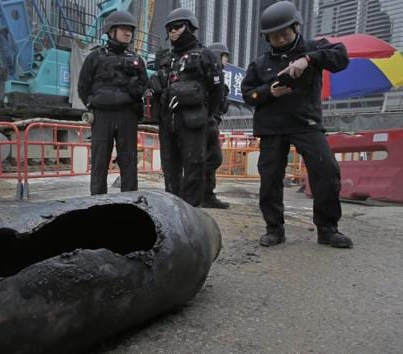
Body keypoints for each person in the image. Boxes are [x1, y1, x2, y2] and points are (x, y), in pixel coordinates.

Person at [241, 1, 352, 248]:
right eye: (274, 36)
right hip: (271, 128)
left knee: (326, 171)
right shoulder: (259, 64)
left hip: (306, 123)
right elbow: (248, 94)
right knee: (270, 179)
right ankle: (274, 229)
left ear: (296, 27)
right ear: (265, 37)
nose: (280, 39)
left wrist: (308, 59)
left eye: (285, 33)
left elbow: (341, 57)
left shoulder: (313, 48)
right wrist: (269, 92)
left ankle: (327, 228)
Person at [147, 8, 224, 207]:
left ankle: (191, 211)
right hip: (168, 122)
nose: (173, 32)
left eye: (177, 27)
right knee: (170, 167)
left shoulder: (205, 55)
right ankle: (173, 209)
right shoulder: (165, 58)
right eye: (170, 28)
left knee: (194, 167)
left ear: (189, 27)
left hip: (193, 122)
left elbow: (217, 91)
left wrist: (207, 115)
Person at [78, 10, 148, 196]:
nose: (128, 33)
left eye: (130, 30)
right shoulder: (94, 58)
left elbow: (144, 87)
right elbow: (83, 87)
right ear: (110, 31)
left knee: (129, 161)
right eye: (124, 29)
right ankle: (97, 202)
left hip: (127, 116)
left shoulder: (136, 60)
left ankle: (130, 202)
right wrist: (94, 104)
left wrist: (134, 94)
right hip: (102, 116)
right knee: (100, 161)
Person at [202, 42, 231, 209]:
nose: (226, 60)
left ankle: (207, 195)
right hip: (206, 122)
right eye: (224, 56)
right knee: (214, 159)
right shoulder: (208, 77)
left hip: (213, 122)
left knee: (210, 159)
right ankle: (195, 189)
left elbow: (223, 106)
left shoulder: (219, 79)